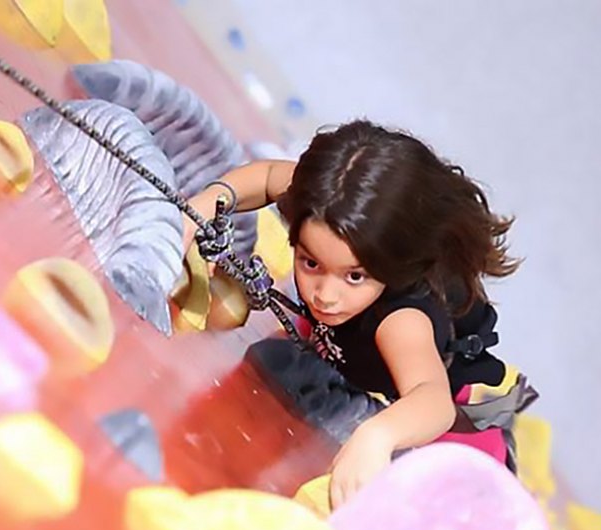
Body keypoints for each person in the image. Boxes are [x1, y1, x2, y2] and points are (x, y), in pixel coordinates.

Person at [184, 119, 520, 509]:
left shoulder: (401, 321)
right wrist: (204, 204)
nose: (325, 294)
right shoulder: (329, 210)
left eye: (354, 276)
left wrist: (377, 436)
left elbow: (433, 400)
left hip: (429, 435)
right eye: (310, 263)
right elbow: (269, 177)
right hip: (348, 362)